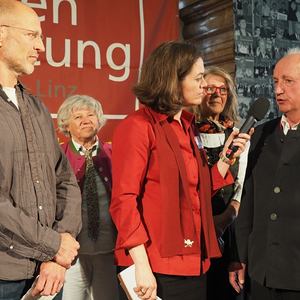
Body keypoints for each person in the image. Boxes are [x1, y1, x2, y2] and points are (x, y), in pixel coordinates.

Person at [110, 41, 251, 300]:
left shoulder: (187, 126)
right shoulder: (138, 126)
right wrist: (140, 265)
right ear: (172, 80)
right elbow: (123, 201)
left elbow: (195, 189)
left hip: (194, 259)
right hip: (155, 265)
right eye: (198, 79)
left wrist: (225, 157)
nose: (204, 86)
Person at [0, 1, 82, 299]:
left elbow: (66, 181)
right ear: (1, 35)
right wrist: (53, 244)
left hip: (48, 273)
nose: (41, 47)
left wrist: (59, 251)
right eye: (32, 35)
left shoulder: (36, 107)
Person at [229, 47, 300, 300]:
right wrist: (240, 258)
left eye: (288, 81)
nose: (278, 89)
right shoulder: (260, 133)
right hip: (261, 273)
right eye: (276, 82)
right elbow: (249, 199)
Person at [193, 67, 248, 300]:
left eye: (222, 89)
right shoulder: (188, 131)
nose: (216, 94)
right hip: (196, 227)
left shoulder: (237, 133)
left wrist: (226, 218)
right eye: (210, 88)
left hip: (230, 226)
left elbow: (242, 183)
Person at [57, 95, 119, 300]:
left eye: (91, 115)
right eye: (78, 117)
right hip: (71, 254)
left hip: (109, 250)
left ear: (99, 119)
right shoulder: (57, 156)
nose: (86, 120)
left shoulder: (115, 153)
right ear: (66, 124)